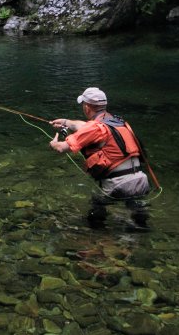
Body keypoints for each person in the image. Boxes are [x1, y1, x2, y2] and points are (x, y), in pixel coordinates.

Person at [49, 87, 151, 230]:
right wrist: (66, 122)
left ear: (87, 106)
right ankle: (140, 229)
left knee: (97, 206)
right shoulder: (117, 122)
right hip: (141, 180)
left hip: (119, 184)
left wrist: (54, 144)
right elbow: (83, 126)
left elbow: (61, 148)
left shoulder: (94, 128)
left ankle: (98, 236)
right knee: (136, 212)